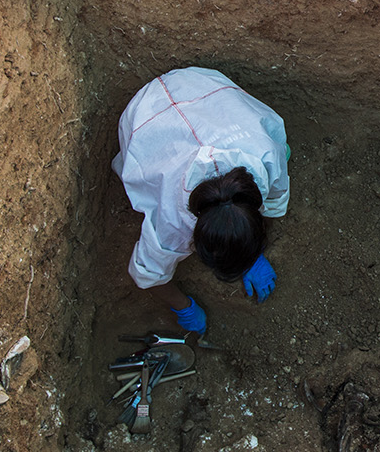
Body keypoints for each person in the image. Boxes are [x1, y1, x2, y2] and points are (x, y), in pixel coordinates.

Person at [111, 67, 290, 334]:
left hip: (201, 85)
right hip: (143, 116)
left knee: (282, 150)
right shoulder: (171, 223)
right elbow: (148, 275)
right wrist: (183, 306)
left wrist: (251, 254)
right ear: (194, 240)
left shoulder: (267, 155)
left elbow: (274, 200)